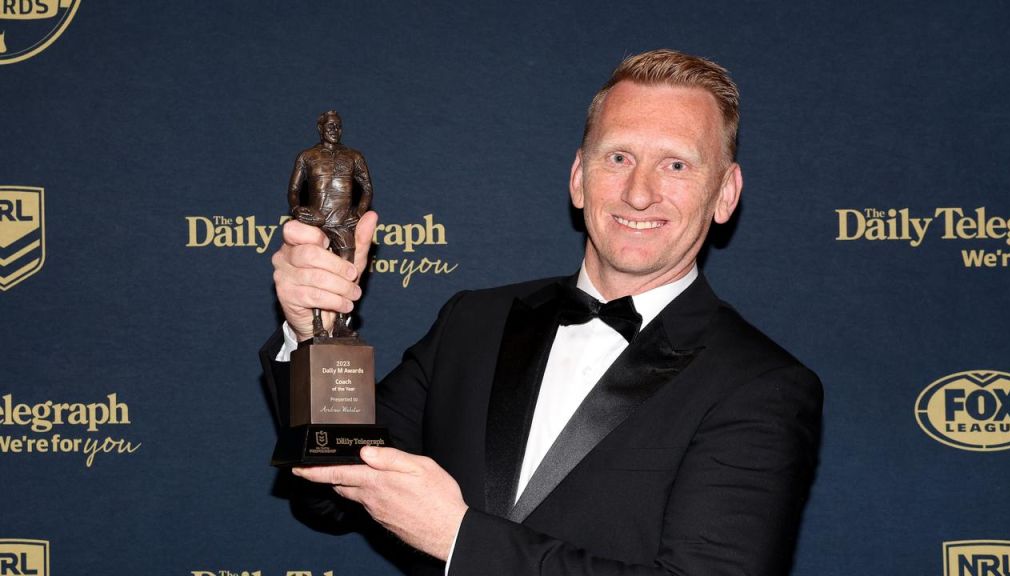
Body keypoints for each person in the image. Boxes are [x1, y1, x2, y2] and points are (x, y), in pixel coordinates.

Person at [262, 49, 823, 576]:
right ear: (579, 177)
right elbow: (329, 488)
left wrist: (459, 538)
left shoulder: (761, 385)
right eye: (619, 157)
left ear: (725, 193)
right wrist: (316, 327)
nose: (639, 193)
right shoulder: (473, 322)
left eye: (676, 165)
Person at [287, 109, 373, 337]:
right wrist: (297, 209)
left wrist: (360, 210)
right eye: (330, 126)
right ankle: (317, 323)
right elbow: (294, 190)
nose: (335, 130)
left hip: (344, 222)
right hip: (317, 223)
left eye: (338, 126)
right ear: (320, 129)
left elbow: (366, 188)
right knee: (317, 272)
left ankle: (341, 323)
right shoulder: (307, 156)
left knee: (347, 273)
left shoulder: (354, 156)